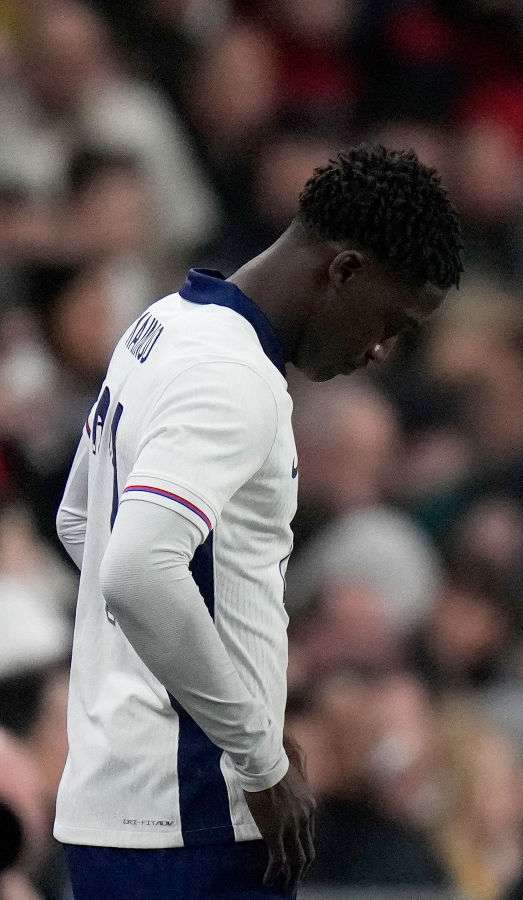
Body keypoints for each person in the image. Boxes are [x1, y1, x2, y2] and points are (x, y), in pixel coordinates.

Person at [51, 145, 464, 898]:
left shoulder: (164, 324)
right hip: (194, 820)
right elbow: (138, 569)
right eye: (389, 320)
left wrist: (217, 701)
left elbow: (83, 522)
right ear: (342, 271)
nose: (379, 350)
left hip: (122, 801)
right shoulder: (234, 376)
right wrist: (256, 754)